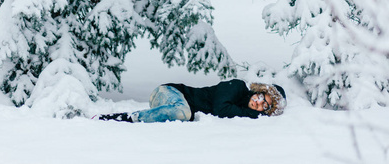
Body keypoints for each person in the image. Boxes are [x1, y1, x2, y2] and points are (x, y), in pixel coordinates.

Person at [95, 79, 287, 123]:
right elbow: (221, 109)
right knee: (183, 113)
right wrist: (254, 114)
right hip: (169, 92)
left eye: (265, 106)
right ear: (259, 91)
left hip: (168, 106)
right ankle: (124, 118)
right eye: (261, 97)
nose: (259, 103)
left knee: (181, 114)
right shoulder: (236, 87)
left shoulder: (240, 107)